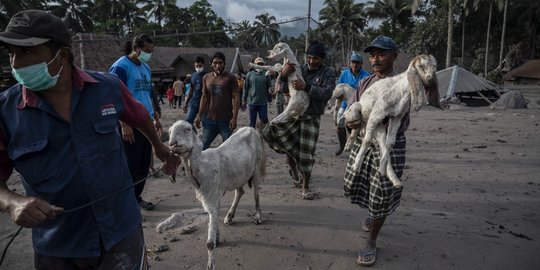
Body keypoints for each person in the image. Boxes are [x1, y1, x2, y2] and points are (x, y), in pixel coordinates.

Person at [0, 10, 177, 270]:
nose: (15, 63)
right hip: (58, 244)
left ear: (62, 56)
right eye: (11, 53)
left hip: (121, 231)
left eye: (27, 52)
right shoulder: (5, 112)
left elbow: (140, 117)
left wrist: (159, 146)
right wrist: (11, 201)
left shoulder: (108, 88)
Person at [343, 35, 404, 266]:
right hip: (364, 142)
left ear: (394, 56)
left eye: (381, 54)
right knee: (360, 184)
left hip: (389, 144)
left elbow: (401, 121)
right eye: (372, 55)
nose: (375, 59)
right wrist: (350, 122)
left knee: (382, 191)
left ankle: (371, 240)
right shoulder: (364, 83)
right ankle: (373, 213)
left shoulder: (401, 85)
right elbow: (353, 109)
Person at [261, 41, 336, 200]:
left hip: (311, 117)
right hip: (294, 115)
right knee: (288, 147)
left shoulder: (327, 73)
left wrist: (306, 87)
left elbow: (327, 93)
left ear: (321, 59)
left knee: (306, 154)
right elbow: (286, 89)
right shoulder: (299, 68)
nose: (311, 61)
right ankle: (294, 172)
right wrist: (283, 75)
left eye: (315, 58)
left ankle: (305, 187)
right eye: (309, 58)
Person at [110, 34, 161, 211]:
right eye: (146, 51)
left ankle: (136, 198)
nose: (149, 54)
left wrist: (155, 118)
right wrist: (124, 124)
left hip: (146, 122)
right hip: (129, 124)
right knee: (129, 165)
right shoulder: (120, 67)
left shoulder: (146, 68)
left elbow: (146, 95)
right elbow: (115, 96)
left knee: (143, 164)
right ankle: (125, 203)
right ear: (136, 48)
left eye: (151, 51)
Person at [194, 52, 240, 150]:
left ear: (224, 64)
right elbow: (204, 97)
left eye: (220, 63)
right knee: (203, 147)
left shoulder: (230, 78)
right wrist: (199, 115)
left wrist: (235, 117)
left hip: (226, 120)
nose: (218, 65)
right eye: (215, 63)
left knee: (229, 148)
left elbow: (236, 97)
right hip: (209, 120)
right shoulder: (206, 77)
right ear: (211, 64)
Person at [335, 52, 370, 156]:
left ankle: (356, 146)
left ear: (361, 64)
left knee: (357, 126)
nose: (355, 65)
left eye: (358, 63)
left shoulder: (366, 76)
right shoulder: (344, 73)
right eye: (353, 62)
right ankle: (341, 145)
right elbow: (339, 88)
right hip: (345, 105)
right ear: (350, 63)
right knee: (339, 125)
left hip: (360, 106)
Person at [243, 57, 272, 128]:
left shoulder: (266, 74)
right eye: (258, 64)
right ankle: (251, 136)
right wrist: (244, 100)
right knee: (252, 122)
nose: (259, 65)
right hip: (252, 102)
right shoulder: (249, 74)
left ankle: (264, 136)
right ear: (254, 65)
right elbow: (246, 88)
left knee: (264, 121)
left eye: (261, 64)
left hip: (263, 102)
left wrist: (270, 96)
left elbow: (269, 86)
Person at [183, 56, 206, 124]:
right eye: (197, 66)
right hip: (193, 103)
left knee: (206, 124)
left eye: (200, 65)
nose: (198, 67)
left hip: (205, 105)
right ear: (194, 65)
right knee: (188, 122)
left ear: (203, 65)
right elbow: (191, 90)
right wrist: (186, 103)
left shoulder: (207, 76)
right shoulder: (193, 75)